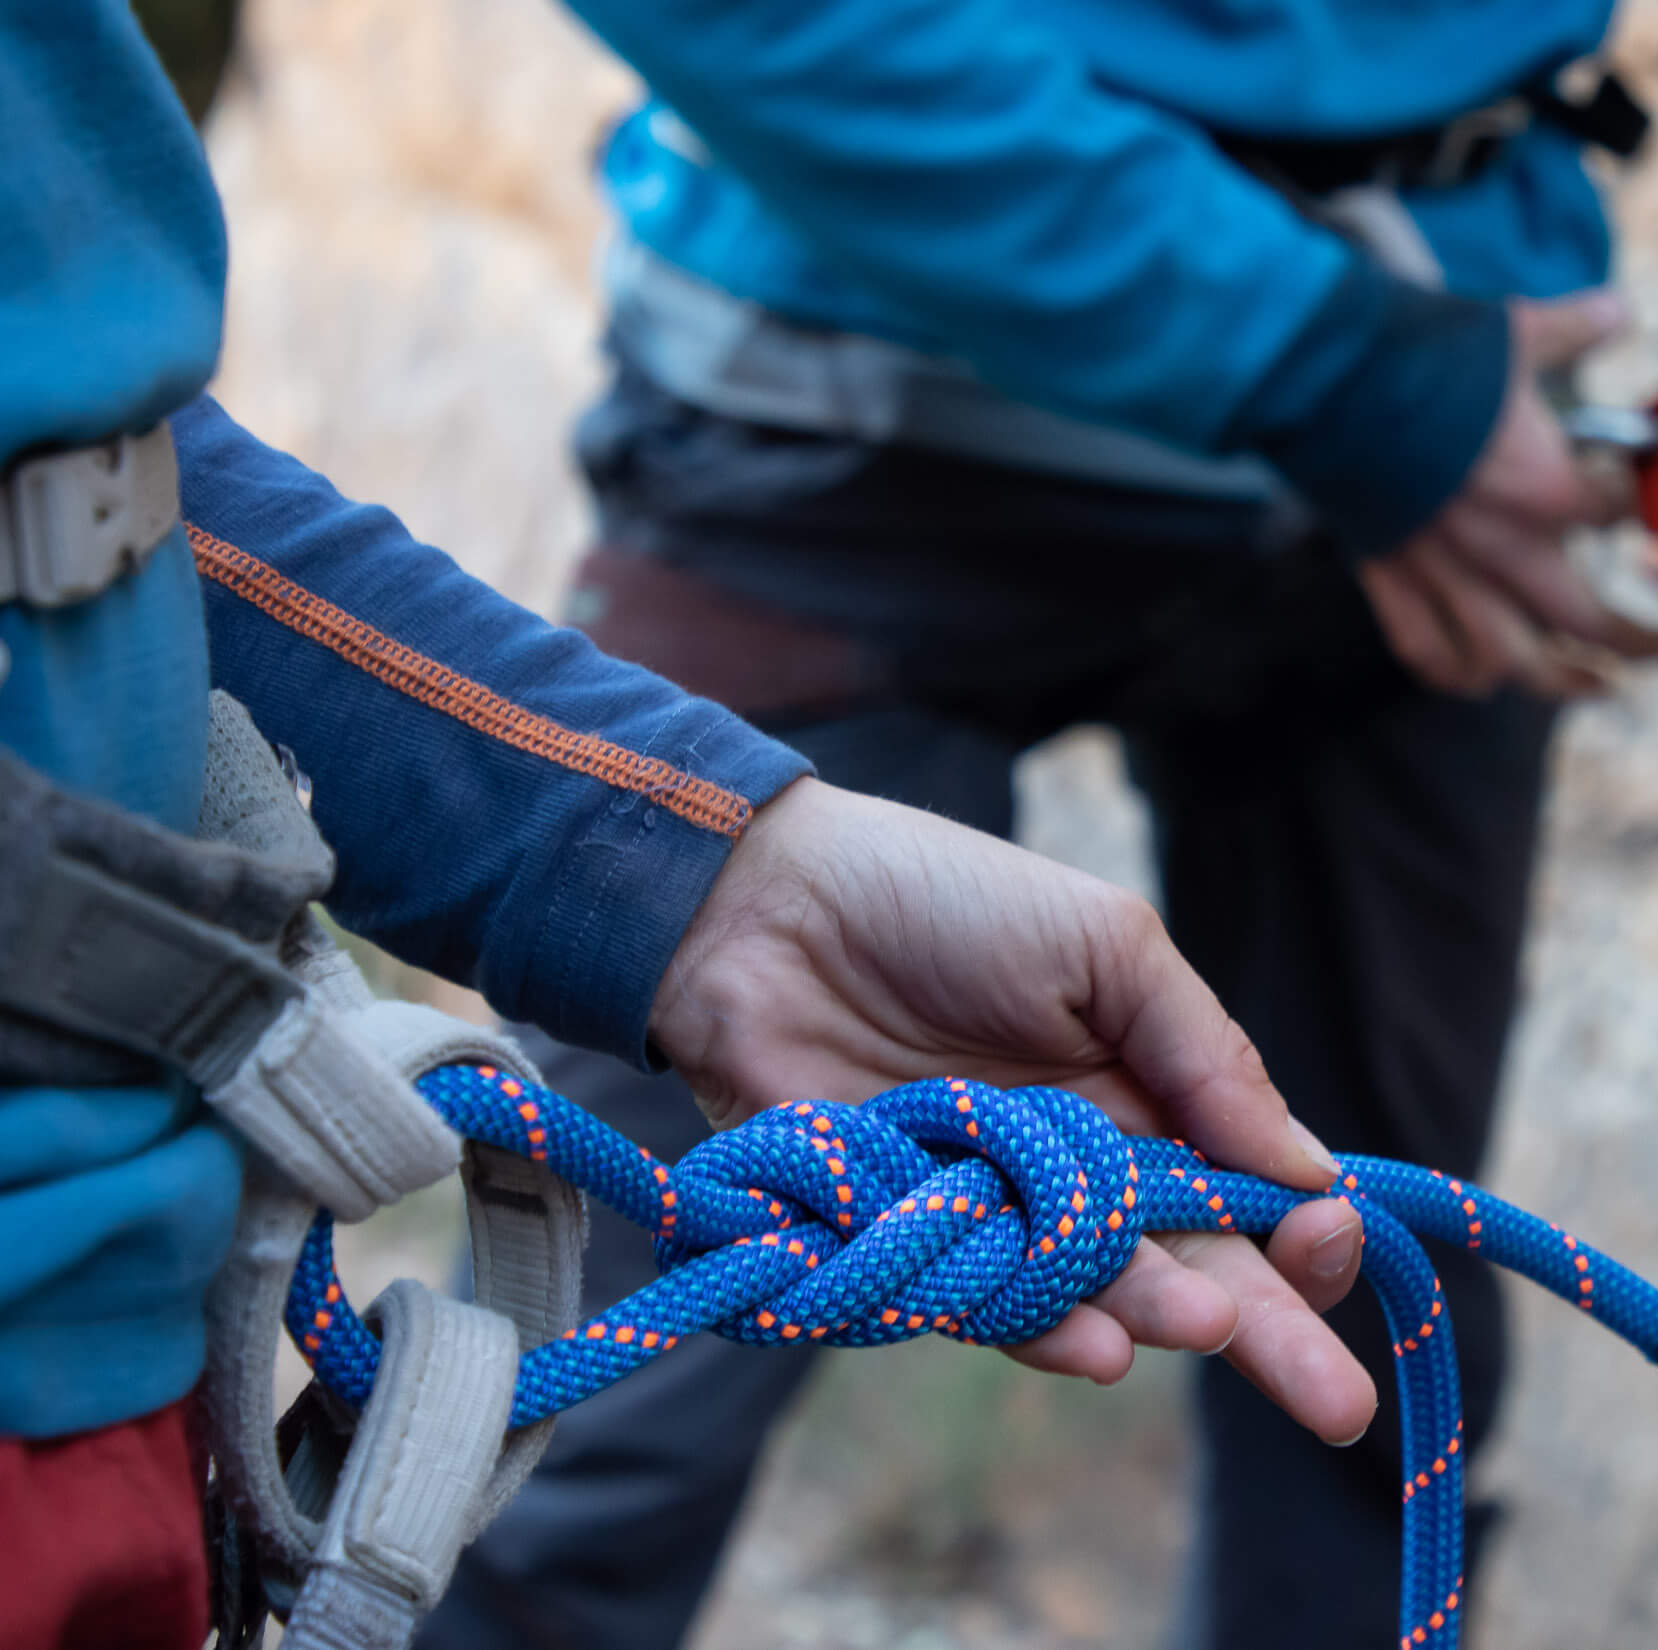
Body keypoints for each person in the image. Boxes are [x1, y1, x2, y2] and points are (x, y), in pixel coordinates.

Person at [417, 0, 1658, 1645]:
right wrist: (1336, 375)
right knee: (598, 1404)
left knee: (1373, 1371)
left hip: (1437, 421)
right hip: (853, 403)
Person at [0, 7, 1389, 1646]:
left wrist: (701, 873)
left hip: (97, 1350)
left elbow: (103, 486)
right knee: (594, 1487)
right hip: (49, 1335)